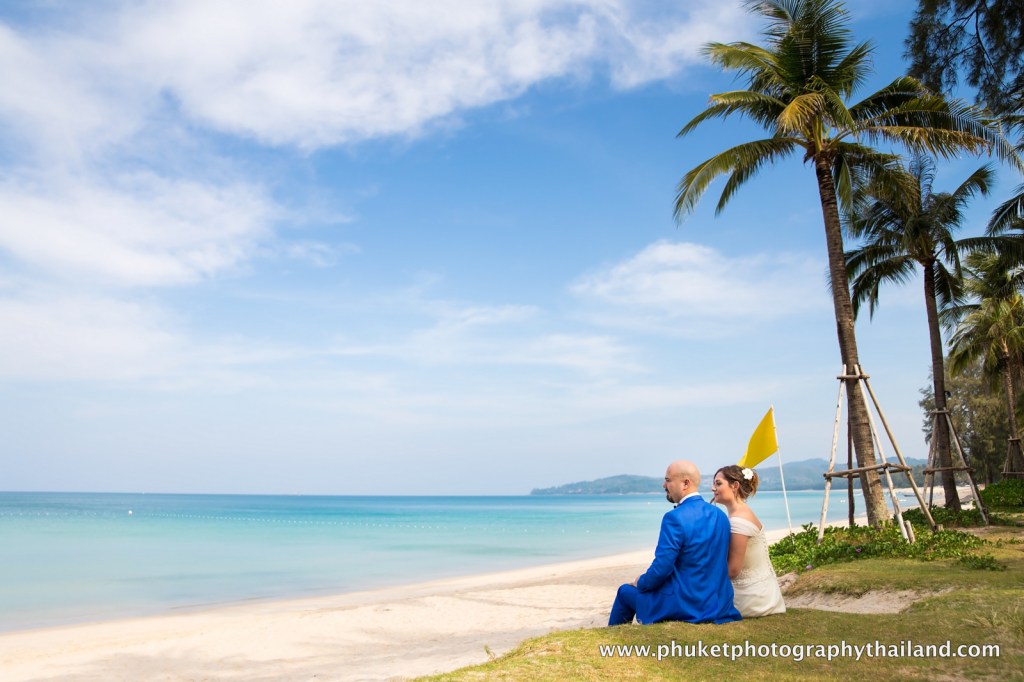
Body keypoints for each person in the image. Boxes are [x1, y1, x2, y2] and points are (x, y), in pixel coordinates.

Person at [608, 460, 741, 626]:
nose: (664, 485)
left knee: (624, 592)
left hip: (687, 605)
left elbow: (662, 568)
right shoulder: (720, 515)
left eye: (668, 480)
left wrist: (640, 581)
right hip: (719, 604)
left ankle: (613, 638)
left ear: (685, 483)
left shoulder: (674, 518)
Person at [711, 464, 786, 618]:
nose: (713, 488)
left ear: (735, 486)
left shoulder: (738, 521)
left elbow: (733, 570)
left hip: (749, 598)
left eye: (718, 484)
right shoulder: (743, 512)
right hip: (764, 593)